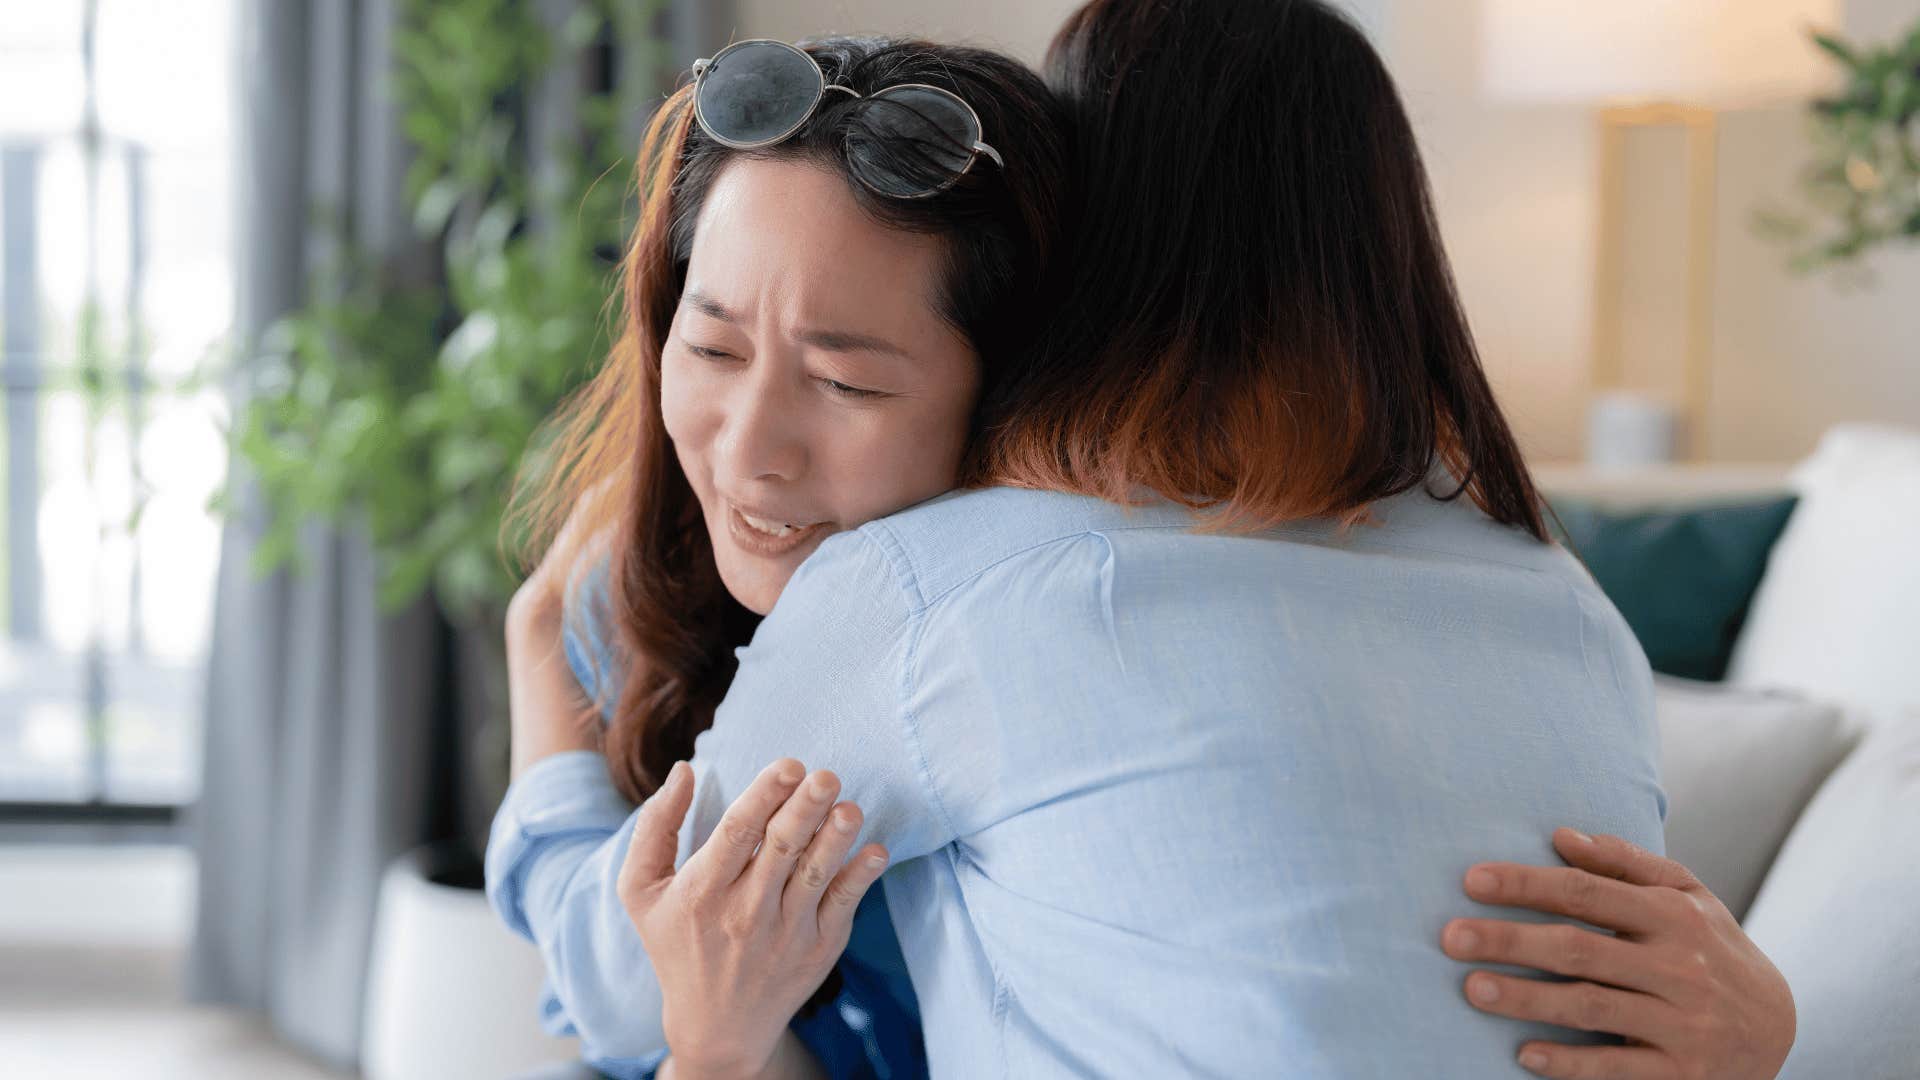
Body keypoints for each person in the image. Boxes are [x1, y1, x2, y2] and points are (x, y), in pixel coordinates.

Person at [493, 9, 1795, 1080]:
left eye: (853, 380)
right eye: (710, 345)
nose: (753, 447)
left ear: (1079, 272)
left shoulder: (948, 589)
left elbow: (623, 987)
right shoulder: (1569, 603)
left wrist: (543, 702)